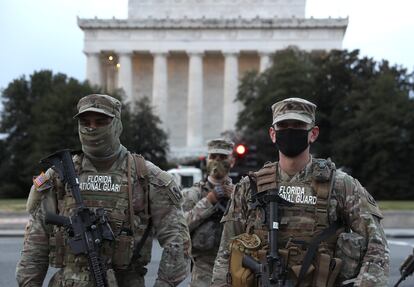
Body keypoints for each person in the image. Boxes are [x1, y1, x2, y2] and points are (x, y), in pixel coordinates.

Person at [211, 98, 389, 287]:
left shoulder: (340, 185)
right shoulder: (248, 187)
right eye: (283, 126)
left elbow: (376, 246)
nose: (290, 131)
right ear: (272, 133)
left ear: (313, 133)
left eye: (298, 125)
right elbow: (226, 254)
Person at [16, 94, 191, 287]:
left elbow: (177, 243)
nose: (92, 127)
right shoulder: (59, 175)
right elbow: (35, 242)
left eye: (101, 122)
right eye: (85, 122)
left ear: (117, 124)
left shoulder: (147, 177)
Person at [181, 139, 235, 287]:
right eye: (213, 157)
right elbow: (182, 225)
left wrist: (235, 200)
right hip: (202, 268)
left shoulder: (241, 193)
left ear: (232, 161)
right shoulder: (194, 193)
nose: (217, 161)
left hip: (233, 267)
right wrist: (209, 201)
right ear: (207, 161)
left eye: (223, 157)